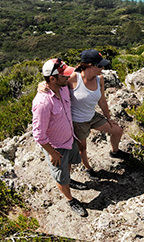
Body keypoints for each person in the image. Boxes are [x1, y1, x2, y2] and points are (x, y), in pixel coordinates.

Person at [31, 58, 88, 217]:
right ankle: (70, 199)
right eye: (64, 76)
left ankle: (68, 180)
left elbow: (81, 77)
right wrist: (52, 153)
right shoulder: (42, 102)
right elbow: (38, 135)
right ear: (52, 78)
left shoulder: (63, 87)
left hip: (69, 139)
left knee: (67, 166)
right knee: (60, 176)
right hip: (57, 147)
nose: (68, 78)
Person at [68, 49, 129, 178]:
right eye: (100, 65)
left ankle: (115, 152)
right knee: (83, 147)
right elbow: (55, 84)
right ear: (90, 65)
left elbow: (102, 100)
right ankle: (87, 168)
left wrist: (109, 118)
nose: (102, 68)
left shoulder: (99, 79)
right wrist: (42, 85)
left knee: (117, 130)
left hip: (92, 116)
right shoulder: (73, 78)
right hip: (78, 121)